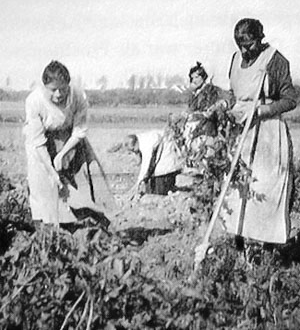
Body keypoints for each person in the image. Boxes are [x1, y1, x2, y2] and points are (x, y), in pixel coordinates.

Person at [219, 18, 297, 246]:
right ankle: (239, 243)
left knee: (263, 188)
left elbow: (290, 100)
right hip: (240, 132)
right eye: (240, 45)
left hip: (267, 133)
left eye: (249, 45)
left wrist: (263, 110)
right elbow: (233, 94)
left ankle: (267, 247)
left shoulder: (275, 60)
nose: (244, 51)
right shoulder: (235, 59)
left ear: (260, 39)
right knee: (238, 187)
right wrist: (225, 106)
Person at [24, 60, 112, 225]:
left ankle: (88, 220)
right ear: (44, 87)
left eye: (63, 89)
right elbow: (38, 141)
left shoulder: (78, 95)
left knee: (85, 177)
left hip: (69, 139)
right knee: (43, 183)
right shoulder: (34, 101)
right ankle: (47, 226)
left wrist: (63, 154)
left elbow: (79, 130)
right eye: (53, 90)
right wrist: (52, 171)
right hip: (41, 144)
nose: (58, 94)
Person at [124, 129, 185, 197]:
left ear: (136, 143)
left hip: (167, 160)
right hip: (161, 155)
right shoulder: (140, 140)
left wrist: (139, 181)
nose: (134, 152)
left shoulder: (146, 144)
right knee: (152, 186)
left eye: (133, 149)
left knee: (161, 191)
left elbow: (147, 163)